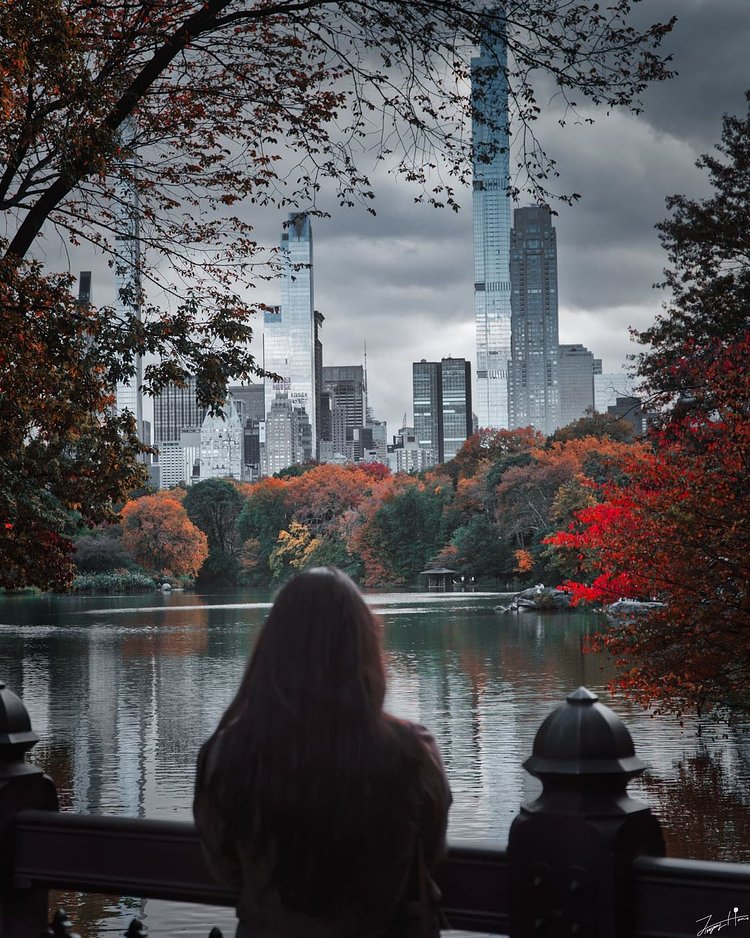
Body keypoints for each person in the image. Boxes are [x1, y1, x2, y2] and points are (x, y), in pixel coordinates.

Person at [193, 566, 451, 938]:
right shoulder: (411, 753)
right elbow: (431, 849)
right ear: (364, 648)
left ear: (272, 648)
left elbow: (227, 869)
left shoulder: (225, 756)